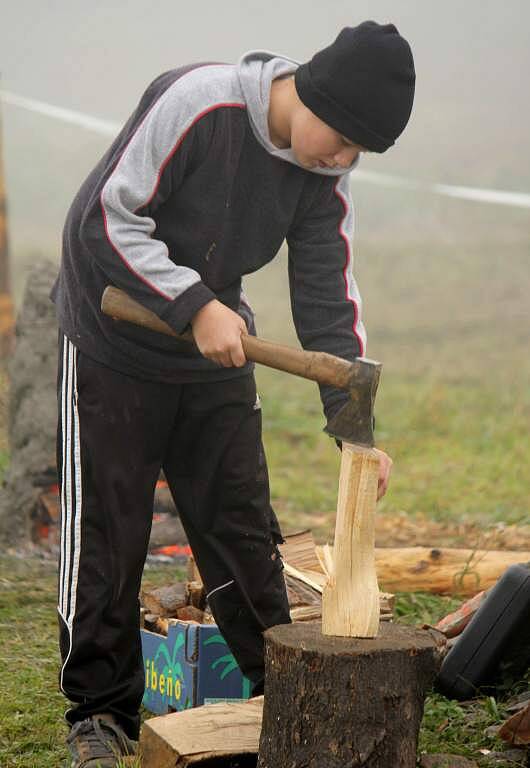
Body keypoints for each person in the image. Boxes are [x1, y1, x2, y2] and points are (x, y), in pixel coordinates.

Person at [52, 20, 415, 767]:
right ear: (310, 91)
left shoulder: (322, 175)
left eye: (359, 154)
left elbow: (325, 297)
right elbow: (104, 220)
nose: (343, 159)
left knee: (243, 525)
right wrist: (194, 302)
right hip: (112, 336)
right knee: (110, 533)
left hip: (211, 353)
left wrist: (355, 430)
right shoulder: (200, 104)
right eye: (342, 139)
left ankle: (278, 686)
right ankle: (99, 712)